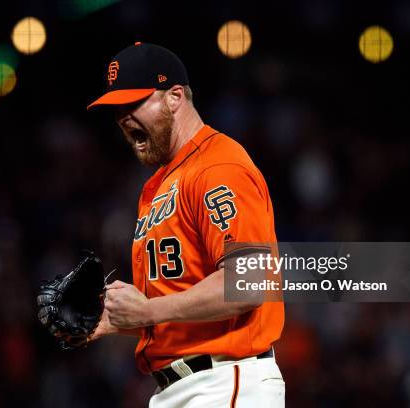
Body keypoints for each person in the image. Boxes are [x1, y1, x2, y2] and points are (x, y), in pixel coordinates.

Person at [88, 42, 285, 407]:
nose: (122, 117)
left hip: (226, 380)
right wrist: (121, 320)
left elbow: (249, 281)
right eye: (116, 109)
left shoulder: (218, 166)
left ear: (175, 97)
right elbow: (185, 298)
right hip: (182, 386)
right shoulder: (160, 185)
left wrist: (148, 311)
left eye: (133, 103)